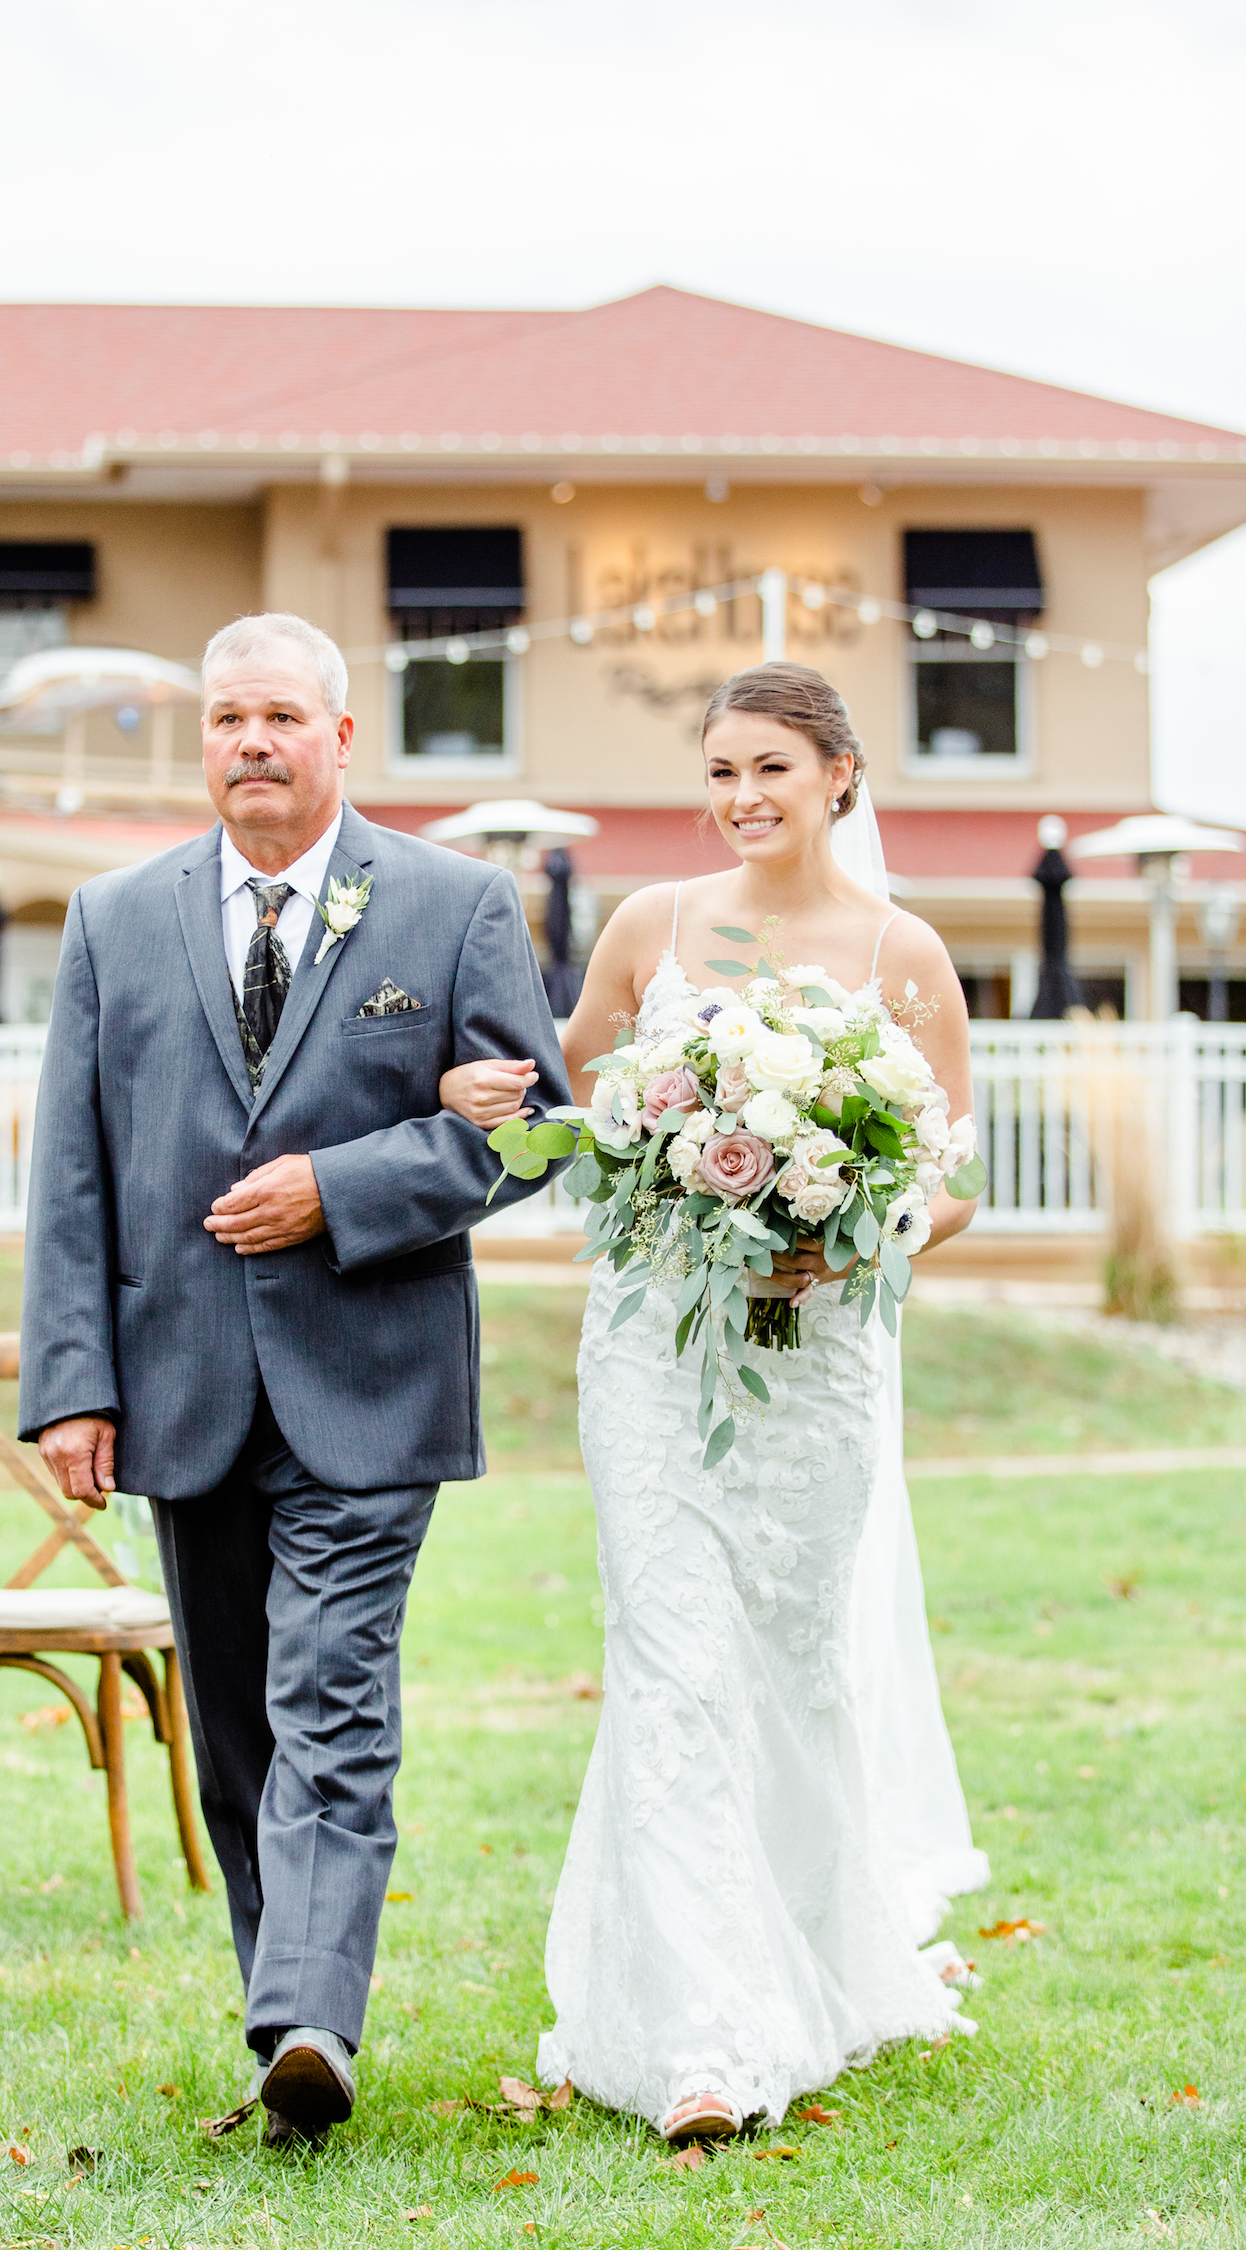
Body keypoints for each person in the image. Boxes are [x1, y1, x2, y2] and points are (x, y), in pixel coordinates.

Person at [18, 610, 568, 2145]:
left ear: (341, 738)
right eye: (224, 719)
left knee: (330, 1694)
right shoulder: (114, 918)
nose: (249, 741)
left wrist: (344, 1184)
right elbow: (73, 1173)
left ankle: (307, 2020)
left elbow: (530, 1131)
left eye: (279, 716)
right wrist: (74, 1381)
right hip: (180, 1383)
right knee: (239, 1735)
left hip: (371, 1382)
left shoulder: (453, 906)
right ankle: (292, 2016)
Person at [439, 662, 984, 2142]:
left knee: (788, 1658)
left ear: (842, 777)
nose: (742, 797)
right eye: (723, 769)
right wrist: (501, 1102)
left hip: (812, 1366)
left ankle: (819, 1956)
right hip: (653, 1353)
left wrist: (859, 1228)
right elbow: (569, 1105)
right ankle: (701, 2034)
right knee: (672, 1658)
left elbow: (957, 1175)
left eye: (772, 770)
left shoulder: (902, 949)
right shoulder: (649, 925)